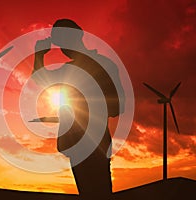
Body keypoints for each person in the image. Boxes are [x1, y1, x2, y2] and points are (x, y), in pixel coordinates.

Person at [31, 19, 125, 199]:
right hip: (81, 143)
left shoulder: (99, 66)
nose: (63, 49)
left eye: (63, 41)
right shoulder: (85, 66)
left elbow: (117, 105)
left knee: (97, 193)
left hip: (91, 144)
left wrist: (39, 55)